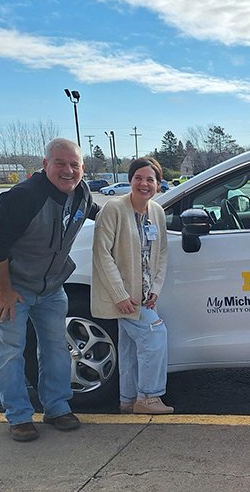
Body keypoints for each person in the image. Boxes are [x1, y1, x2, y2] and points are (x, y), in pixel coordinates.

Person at [0, 138, 99, 441]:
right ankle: (18, 416)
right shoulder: (23, 197)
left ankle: (57, 408)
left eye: (74, 164)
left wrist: (142, 206)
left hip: (51, 285)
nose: (68, 170)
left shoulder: (82, 194)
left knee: (57, 348)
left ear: (83, 168)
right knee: (10, 351)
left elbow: (101, 214)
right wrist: (4, 290)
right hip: (9, 284)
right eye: (60, 163)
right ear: (45, 165)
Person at [91, 158, 172, 415]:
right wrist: (120, 294)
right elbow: (102, 254)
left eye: (150, 179)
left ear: (158, 184)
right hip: (125, 297)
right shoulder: (113, 209)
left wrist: (156, 288)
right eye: (138, 178)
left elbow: (161, 253)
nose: (144, 184)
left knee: (128, 346)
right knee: (154, 333)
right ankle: (148, 397)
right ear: (130, 180)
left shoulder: (156, 212)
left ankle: (127, 400)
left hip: (145, 295)